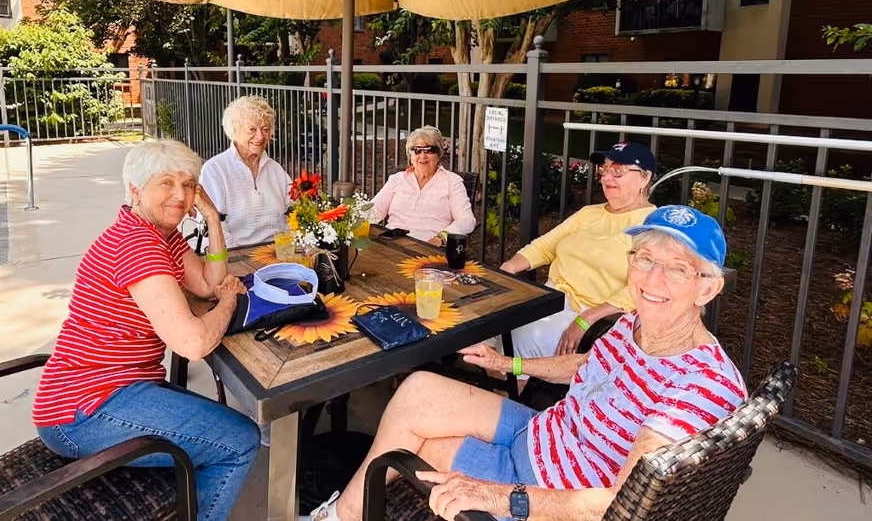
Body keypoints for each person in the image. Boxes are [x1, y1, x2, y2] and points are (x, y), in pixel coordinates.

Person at [303, 206, 746, 521]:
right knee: (419, 389)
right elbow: (589, 365)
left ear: (708, 288)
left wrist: (500, 497)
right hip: (542, 433)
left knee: (416, 448)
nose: (652, 279)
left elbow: (620, 505)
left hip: (548, 487)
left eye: (678, 269)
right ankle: (345, 512)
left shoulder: (698, 385)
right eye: (645, 259)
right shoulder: (637, 321)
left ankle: (339, 516)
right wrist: (510, 364)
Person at [33, 140, 260, 521]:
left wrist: (213, 221)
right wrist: (229, 303)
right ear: (136, 189)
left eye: (188, 185)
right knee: (239, 440)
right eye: (166, 183)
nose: (180, 195)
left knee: (221, 428)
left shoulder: (159, 235)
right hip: (84, 409)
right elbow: (194, 343)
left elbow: (207, 282)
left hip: (117, 387)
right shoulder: (138, 246)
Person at [500, 142, 656, 359]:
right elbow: (545, 246)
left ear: (645, 178)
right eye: (605, 169)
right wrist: (505, 271)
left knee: (515, 343)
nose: (606, 177)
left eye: (617, 170)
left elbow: (646, 286)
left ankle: (502, 390)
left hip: (592, 313)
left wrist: (588, 318)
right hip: (550, 298)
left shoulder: (652, 226)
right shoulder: (589, 213)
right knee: (485, 324)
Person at [199, 95, 292, 248]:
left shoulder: (275, 170)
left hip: (278, 251)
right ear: (234, 131)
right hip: (237, 254)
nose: (260, 136)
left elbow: (293, 212)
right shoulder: (215, 170)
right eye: (252, 129)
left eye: (265, 129)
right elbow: (215, 226)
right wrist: (239, 256)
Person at [370, 125, 476, 246]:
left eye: (429, 150)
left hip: (428, 247)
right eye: (417, 150)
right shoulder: (397, 179)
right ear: (410, 155)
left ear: (439, 153)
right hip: (390, 244)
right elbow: (374, 211)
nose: (422, 156)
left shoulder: (452, 182)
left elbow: (466, 220)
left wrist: (441, 237)